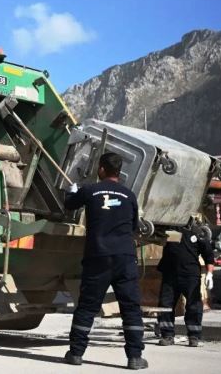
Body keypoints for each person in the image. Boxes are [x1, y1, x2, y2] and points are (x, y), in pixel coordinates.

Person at [63, 152, 148, 370]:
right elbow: (132, 226)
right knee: (130, 308)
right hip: (124, 258)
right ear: (119, 172)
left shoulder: (90, 191)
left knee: (87, 306)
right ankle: (135, 358)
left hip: (98, 257)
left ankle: (76, 354)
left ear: (101, 169)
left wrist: (71, 190)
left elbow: (70, 205)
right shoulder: (129, 196)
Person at [156, 226, 215, 347]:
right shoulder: (172, 231)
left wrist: (209, 274)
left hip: (190, 275)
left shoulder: (198, 233)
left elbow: (209, 256)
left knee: (193, 306)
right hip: (170, 275)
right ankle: (167, 335)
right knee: (165, 305)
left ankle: (194, 336)